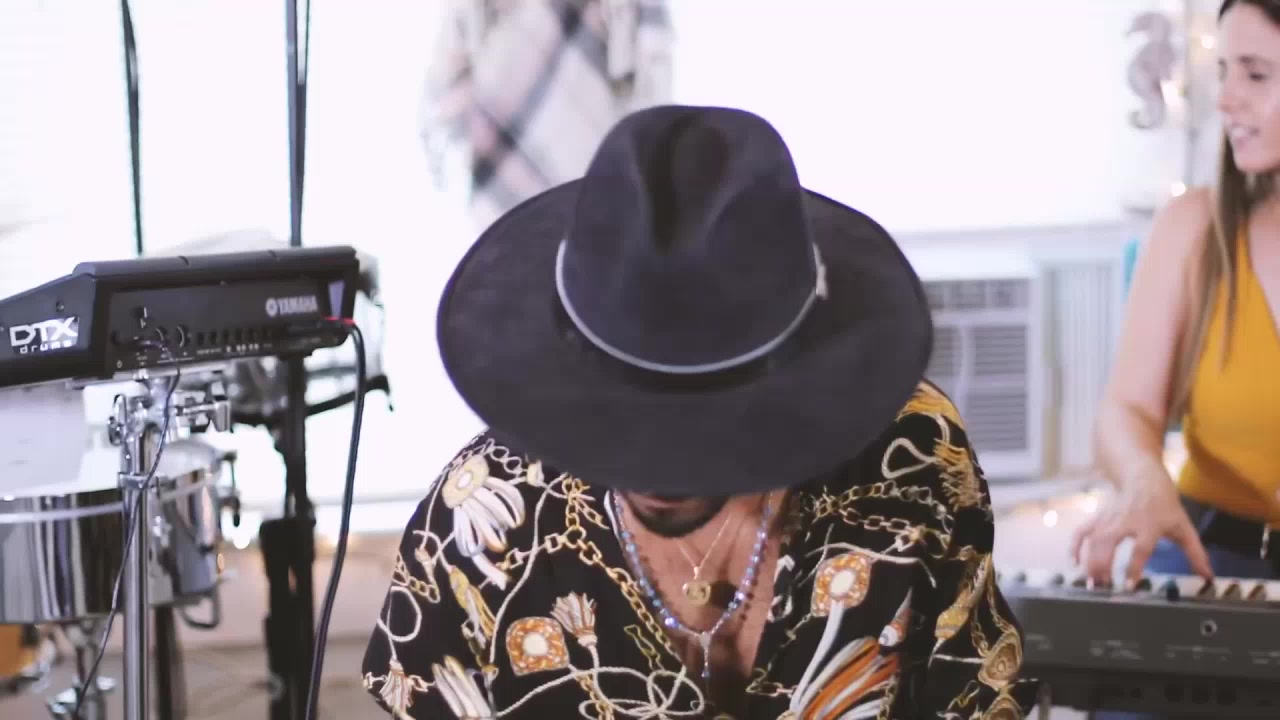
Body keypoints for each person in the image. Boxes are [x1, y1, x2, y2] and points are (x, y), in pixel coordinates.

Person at [361, 104, 1038, 719]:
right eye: (623, 408)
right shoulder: (481, 524)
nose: (656, 461)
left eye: (697, 415)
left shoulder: (913, 454)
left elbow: (977, 694)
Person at [1072, 0, 1280, 591]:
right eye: (1225, 72)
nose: (1226, 99)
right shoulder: (1191, 227)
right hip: (1209, 557)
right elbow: (1127, 410)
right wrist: (1143, 479)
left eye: (1256, 74)